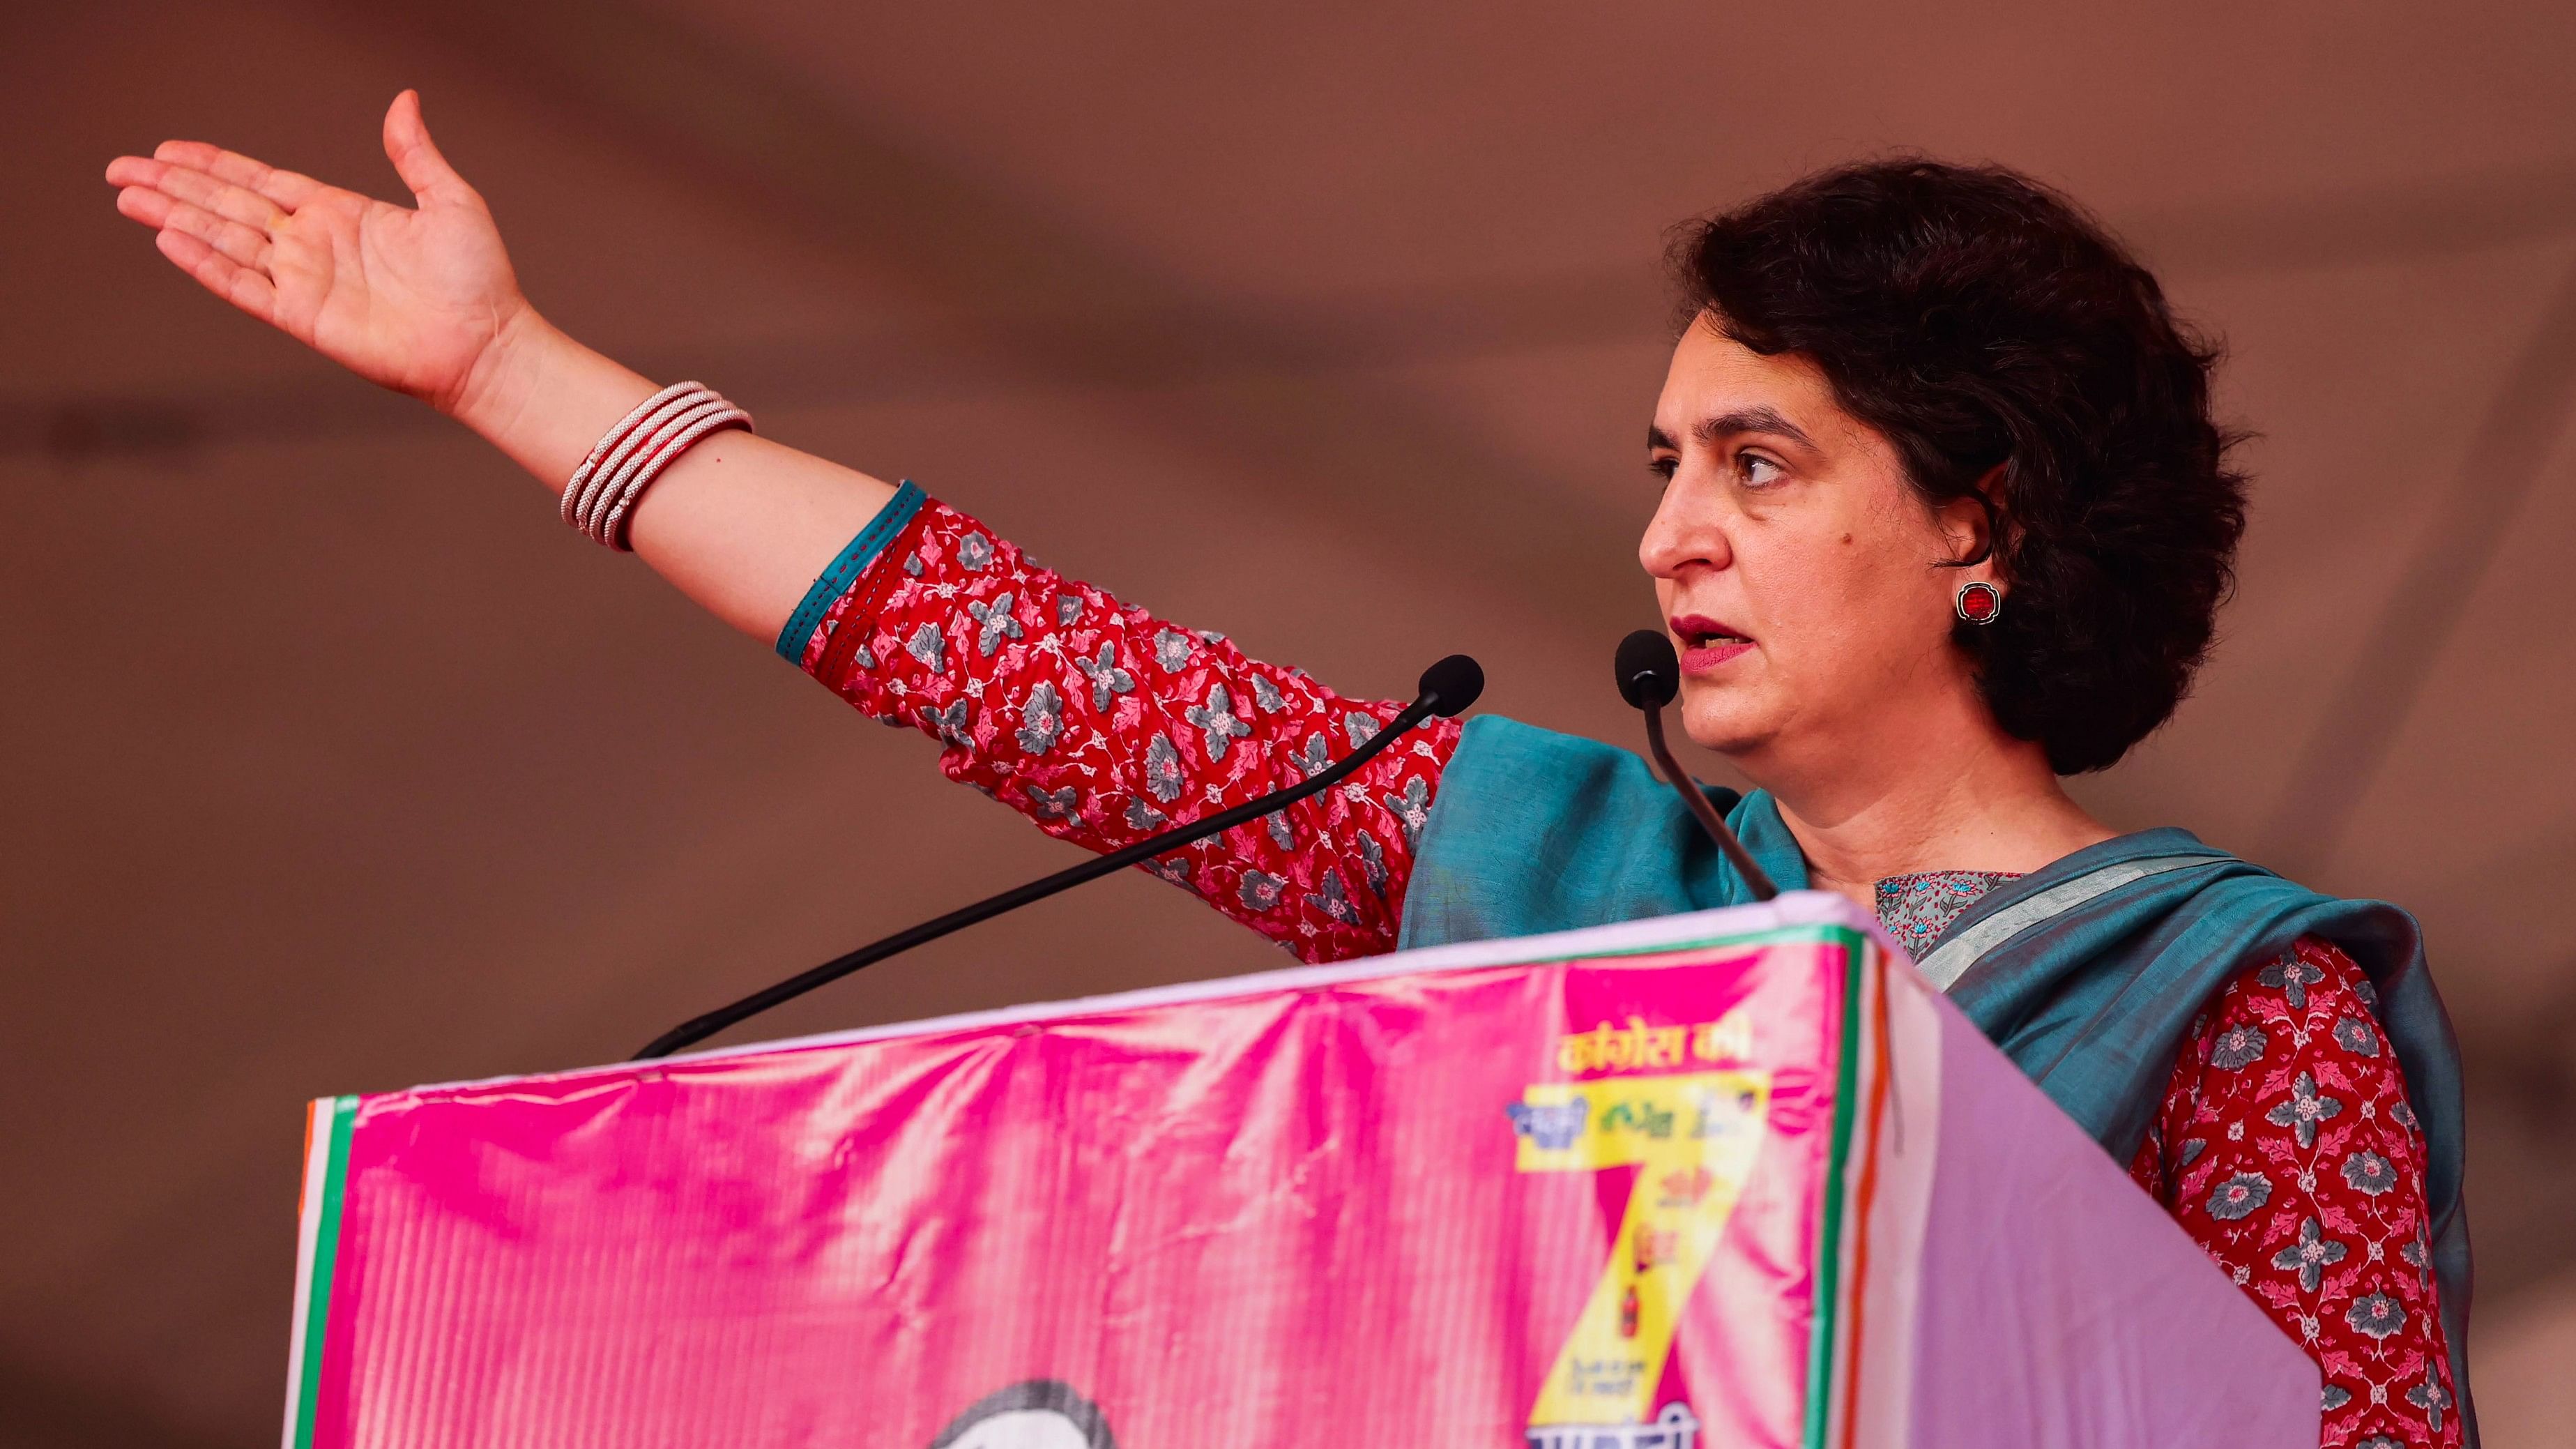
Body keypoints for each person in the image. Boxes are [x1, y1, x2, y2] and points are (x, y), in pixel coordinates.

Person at [106, 91, 2474, 1446]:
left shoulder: (2236, 1010)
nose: (1666, 531)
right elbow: (1047, 674)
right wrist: (510, 369)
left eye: (1759, 463)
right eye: (1662, 457)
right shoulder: (1564, 868)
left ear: (1981, 523)